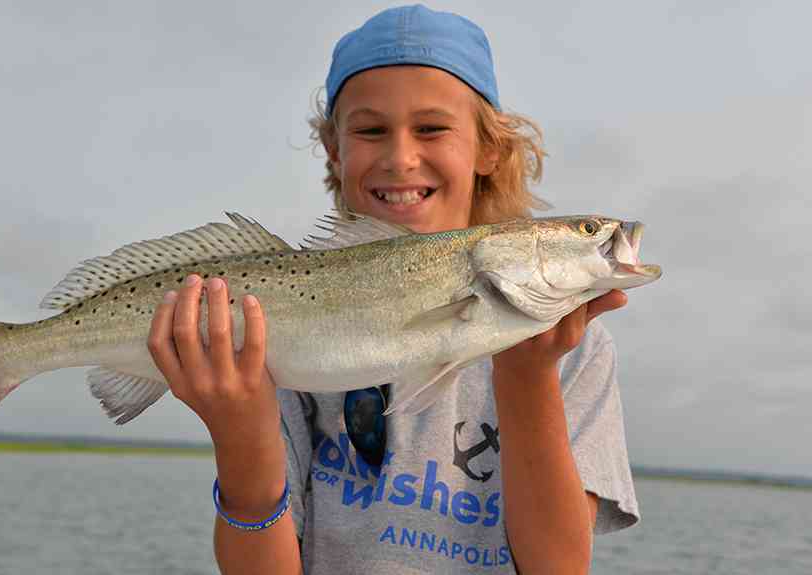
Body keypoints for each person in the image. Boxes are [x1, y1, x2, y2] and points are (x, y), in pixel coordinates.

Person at [147, 5, 639, 574]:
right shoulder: (273, 333)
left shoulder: (576, 351)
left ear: (489, 149)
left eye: (431, 128)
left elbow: (557, 568)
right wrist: (242, 441)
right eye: (371, 130)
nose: (401, 157)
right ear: (335, 151)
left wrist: (527, 376)